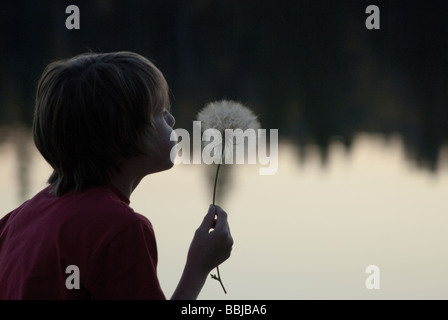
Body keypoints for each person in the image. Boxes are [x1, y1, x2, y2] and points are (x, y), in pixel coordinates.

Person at [0, 51, 233, 299]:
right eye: (158, 112)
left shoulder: (15, 221)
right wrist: (198, 267)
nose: (172, 118)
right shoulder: (120, 231)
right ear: (122, 136)